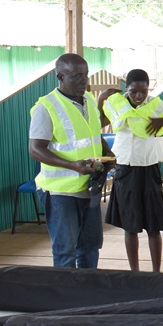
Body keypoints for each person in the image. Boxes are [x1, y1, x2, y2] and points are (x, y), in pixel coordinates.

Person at [28, 53, 115, 268]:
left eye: (85, 76)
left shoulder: (89, 102)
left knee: (90, 247)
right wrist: (72, 166)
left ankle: (89, 293)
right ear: (60, 76)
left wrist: (109, 156)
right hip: (61, 192)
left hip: (90, 186)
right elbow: (35, 149)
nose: (83, 81)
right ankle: (67, 297)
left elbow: (95, 135)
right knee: (65, 251)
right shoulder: (46, 107)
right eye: (76, 76)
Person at [102, 69, 163, 272]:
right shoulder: (116, 105)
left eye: (144, 91)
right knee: (130, 225)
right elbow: (101, 121)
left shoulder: (156, 106)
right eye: (134, 92)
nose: (139, 96)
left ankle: (156, 272)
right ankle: (135, 272)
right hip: (126, 168)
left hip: (149, 167)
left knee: (153, 225)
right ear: (126, 89)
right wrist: (101, 98)